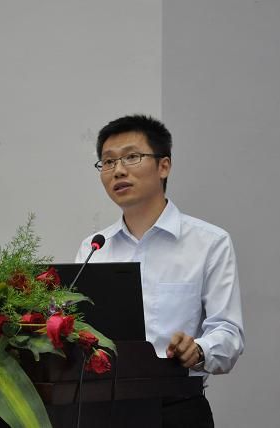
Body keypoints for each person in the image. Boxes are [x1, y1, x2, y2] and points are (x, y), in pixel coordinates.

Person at [75, 114, 245, 428]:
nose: (119, 170)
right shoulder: (94, 247)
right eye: (108, 162)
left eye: (132, 157)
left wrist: (198, 349)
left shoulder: (209, 242)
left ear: (163, 166)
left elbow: (229, 333)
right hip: (102, 409)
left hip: (175, 409)